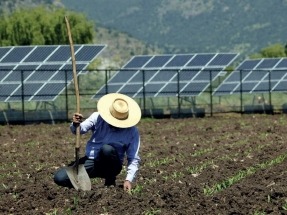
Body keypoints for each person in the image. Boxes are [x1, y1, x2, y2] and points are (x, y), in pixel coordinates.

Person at [53, 93, 142, 192]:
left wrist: (128, 180)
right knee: (59, 178)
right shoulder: (97, 117)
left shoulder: (132, 131)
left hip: (113, 165)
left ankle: (110, 179)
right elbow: (80, 129)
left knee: (107, 149)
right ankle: (83, 188)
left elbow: (133, 158)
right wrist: (76, 124)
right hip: (93, 161)